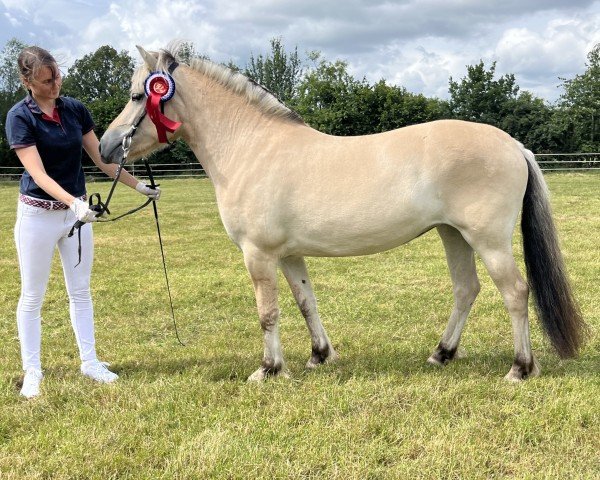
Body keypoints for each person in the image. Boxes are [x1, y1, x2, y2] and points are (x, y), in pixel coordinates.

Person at [5, 46, 160, 399]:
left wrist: (139, 187)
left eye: (57, 75)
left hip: (76, 216)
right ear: (28, 81)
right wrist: (74, 203)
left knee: (81, 292)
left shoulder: (74, 109)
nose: (56, 84)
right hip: (38, 217)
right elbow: (38, 174)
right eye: (47, 80)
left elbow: (102, 160)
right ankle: (33, 371)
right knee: (32, 296)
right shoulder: (19, 117)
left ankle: (90, 362)